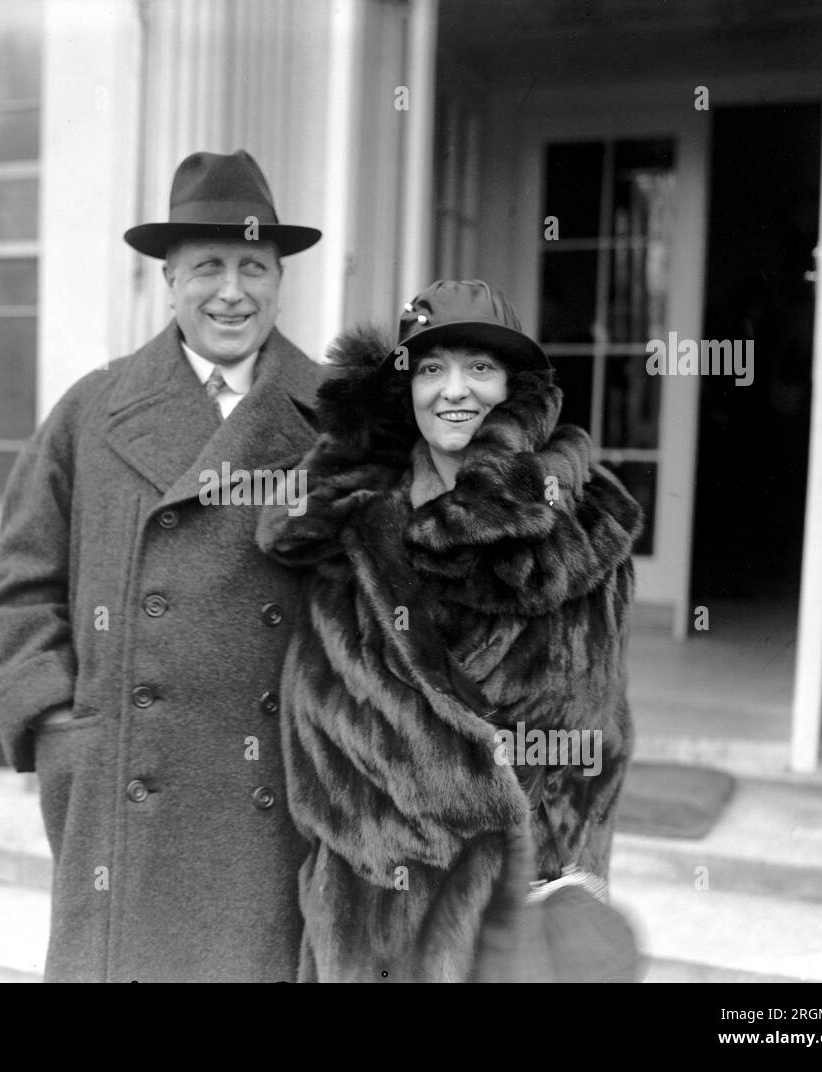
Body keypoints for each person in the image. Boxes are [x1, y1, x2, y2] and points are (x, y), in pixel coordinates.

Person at [0, 150, 326, 982]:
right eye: (208, 266)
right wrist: (62, 735)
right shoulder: (92, 411)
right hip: (125, 798)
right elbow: (18, 596)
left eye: (254, 267)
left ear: (281, 280)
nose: (232, 291)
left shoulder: (340, 418)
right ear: (168, 279)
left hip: (276, 799)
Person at [257, 280, 643, 982]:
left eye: (480, 369)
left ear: (515, 391)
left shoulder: (581, 532)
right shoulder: (349, 525)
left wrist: (550, 877)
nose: (453, 391)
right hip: (369, 921)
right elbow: (312, 722)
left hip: (513, 923)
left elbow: (596, 745)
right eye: (430, 369)